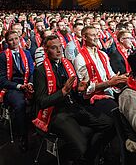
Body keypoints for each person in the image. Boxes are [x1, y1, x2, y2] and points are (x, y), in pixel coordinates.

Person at [33, 35, 113, 165]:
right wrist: (62, 92)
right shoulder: (40, 71)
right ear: (46, 51)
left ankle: (88, 157)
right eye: (54, 48)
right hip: (56, 113)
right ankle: (86, 157)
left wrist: (79, 88)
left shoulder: (67, 64)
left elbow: (74, 91)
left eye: (60, 47)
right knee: (82, 145)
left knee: (109, 124)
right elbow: (42, 102)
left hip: (74, 107)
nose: (59, 51)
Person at [74, 26, 127, 116]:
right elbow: (85, 89)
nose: (97, 37)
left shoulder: (103, 54)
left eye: (97, 34)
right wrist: (109, 83)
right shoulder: (80, 59)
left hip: (110, 90)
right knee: (117, 113)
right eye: (93, 35)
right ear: (84, 37)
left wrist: (119, 78)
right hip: (94, 97)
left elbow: (110, 74)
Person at [0, 30, 34, 151]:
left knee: (42, 97)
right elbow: (2, 80)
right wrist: (19, 87)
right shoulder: (3, 56)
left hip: (27, 83)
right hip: (12, 86)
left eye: (16, 38)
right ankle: (23, 136)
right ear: (7, 42)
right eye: (11, 39)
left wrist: (30, 83)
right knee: (20, 104)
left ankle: (38, 127)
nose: (14, 42)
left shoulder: (27, 53)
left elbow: (32, 71)